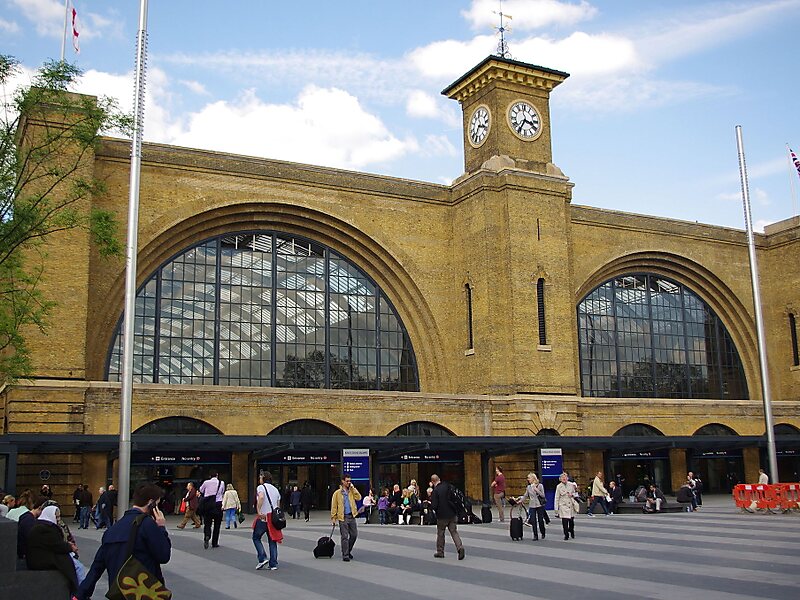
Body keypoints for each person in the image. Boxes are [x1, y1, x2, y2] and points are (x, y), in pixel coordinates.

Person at [77, 483, 171, 600]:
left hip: (119, 592)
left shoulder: (113, 529)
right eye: (158, 504)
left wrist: (81, 594)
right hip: (143, 593)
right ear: (151, 503)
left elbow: (97, 567)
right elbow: (164, 555)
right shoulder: (147, 524)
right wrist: (161, 528)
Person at [27, 505, 79, 595]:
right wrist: (70, 547)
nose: (58, 519)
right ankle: (78, 592)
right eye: (57, 516)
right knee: (78, 567)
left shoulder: (41, 525)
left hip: (39, 556)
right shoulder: (46, 528)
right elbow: (56, 545)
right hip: (40, 560)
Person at [430, 474, 465, 560]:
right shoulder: (448, 486)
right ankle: (460, 547)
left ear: (433, 482)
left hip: (442, 515)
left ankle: (440, 552)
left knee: (441, 533)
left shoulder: (436, 490)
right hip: (452, 513)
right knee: (454, 532)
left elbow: (434, 505)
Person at [253, 471, 282, 570]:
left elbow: (261, 497)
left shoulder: (261, 487)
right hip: (273, 518)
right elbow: (278, 505)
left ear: (263, 478)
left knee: (256, 538)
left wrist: (258, 510)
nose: (259, 479)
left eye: (260, 477)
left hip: (264, 517)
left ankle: (262, 557)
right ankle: (273, 564)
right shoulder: (275, 489)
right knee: (272, 540)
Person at [331, 473, 361, 561]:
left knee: (354, 535)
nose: (349, 483)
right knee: (344, 536)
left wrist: (353, 488)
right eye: (347, 481)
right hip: (343, 517)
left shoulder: (351, 491)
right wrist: (333, 518)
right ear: (342, 481)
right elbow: (334, 506)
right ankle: (345, 554)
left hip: (351, 516)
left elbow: (359, 497)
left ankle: (348, 549)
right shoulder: (337, 493)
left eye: (350, 481)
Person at [17, 496, 47, 562]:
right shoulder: (29, 520)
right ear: (40, 508)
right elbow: (31, 538)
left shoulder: (26, 517)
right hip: (26, 555)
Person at [199, 471, 225, 549]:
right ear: (217, 475)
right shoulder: (222, 483)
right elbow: (222, 492)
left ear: (210, 476)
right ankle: (215, 542)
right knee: (217, 525)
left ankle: (207, 535)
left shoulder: (206, 482)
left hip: (208, 505)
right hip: (218, 504)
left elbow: (201, 490)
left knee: (207, 523)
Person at [518, 472, 546, 541]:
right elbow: (525, 495)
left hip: (539, 505)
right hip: (532, 505)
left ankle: (543, 532)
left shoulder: (540, 486)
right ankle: (535, 535)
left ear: (533, 478)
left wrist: (536, 490)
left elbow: (543, 495)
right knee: (533, 520)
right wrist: (521, 501)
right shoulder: (528, 487)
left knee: (540, 520)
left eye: (529, 478)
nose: (528, 479)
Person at [555, 472, 577, 540]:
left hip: (570, 504)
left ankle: (571, 530)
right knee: (564, 521)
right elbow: (557, 498)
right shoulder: (559, 487)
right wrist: (556, 509)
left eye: (565, 477)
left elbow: (576, 494)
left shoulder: (571, 485)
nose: (564, 479)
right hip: (563, 505)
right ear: (560, 479)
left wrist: (572, 495)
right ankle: (566, 534)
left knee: (571, 521)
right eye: (563, 478)